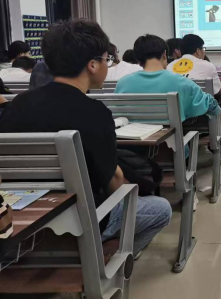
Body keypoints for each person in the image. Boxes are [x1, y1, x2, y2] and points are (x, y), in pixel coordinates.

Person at [0, 20, 171, 256]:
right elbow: (114, 184)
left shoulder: (17, 105)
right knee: (160, 209)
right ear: (92, 64)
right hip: (81, 222)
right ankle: (110, 264)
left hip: (20, 219)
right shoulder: (95, 113)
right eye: (106, 60)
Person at [115, 34, 220, 124]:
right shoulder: (181, 82)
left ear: (138, 59)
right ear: (164, 54)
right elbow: (212, 107)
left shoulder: (123, 83)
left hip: (133, 139)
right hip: (170, 141)